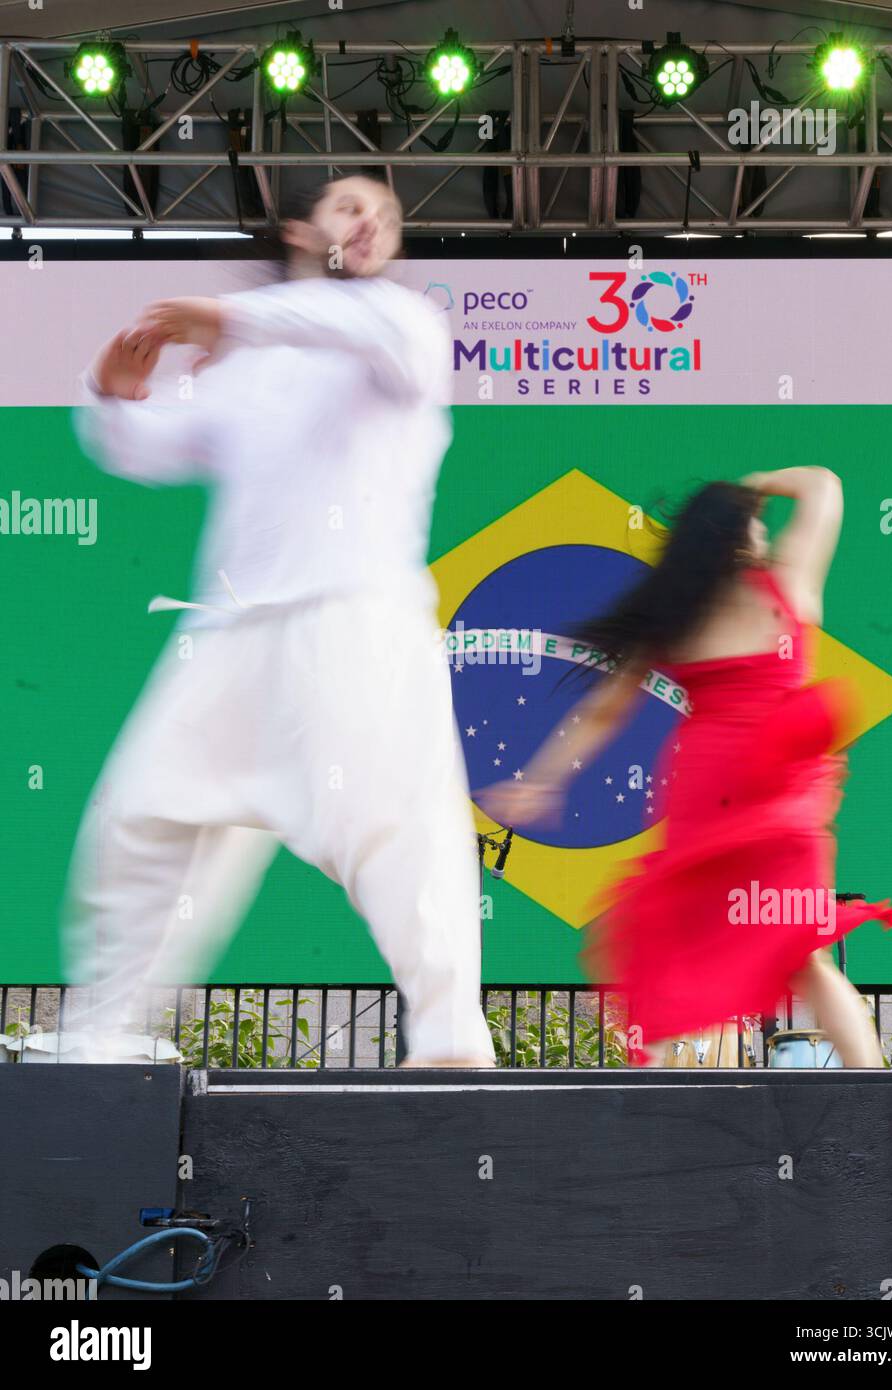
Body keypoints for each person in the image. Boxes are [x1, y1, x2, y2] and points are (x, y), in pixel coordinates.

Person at [63, 175, 495, 1068]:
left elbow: (342, 326)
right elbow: (145, 444)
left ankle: (451, 1046)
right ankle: (98, 1045)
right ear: (300, 228)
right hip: (234, 634)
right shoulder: (251, 362)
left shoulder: (401, 326)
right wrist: (108, 395)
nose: (373, 219)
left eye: (388, 210)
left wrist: (235, 320)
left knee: (395, 827)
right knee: (140, 819)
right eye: (348, 205)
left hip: (355, 622)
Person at [480, 468, 892, 1067]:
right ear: (738, 539)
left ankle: (648, 1092)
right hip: (778, 795)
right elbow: (826, 486)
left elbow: (603, 712)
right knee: (801, 951)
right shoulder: (787, 587)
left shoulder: (676, 622)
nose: (763, 528)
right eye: (755, 522)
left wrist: (544, 780)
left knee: (668, 940)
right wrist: (759, 483)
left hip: (709, 791)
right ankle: (879, 1102)